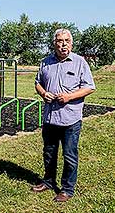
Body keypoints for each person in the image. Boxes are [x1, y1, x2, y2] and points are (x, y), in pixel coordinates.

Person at [32, 28, 95, 202]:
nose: (63, 44)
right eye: (60, 41)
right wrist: (43, 93)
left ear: (71, 43)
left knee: (69, 155)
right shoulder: (45, 63)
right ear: (54, 43)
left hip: (71, 120)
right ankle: (49, 181)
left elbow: (89, 87)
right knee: (49, 153)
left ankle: (67, 189)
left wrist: (69, 97)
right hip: (50, 118)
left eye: (67, 41)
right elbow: (38, 83)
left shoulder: (80, 62)